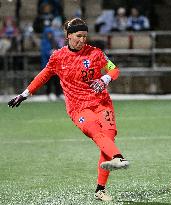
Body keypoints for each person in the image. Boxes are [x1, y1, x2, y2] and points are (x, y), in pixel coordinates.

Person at [8, 18, 129, 201]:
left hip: (102, 103)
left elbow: (114, 70)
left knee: (109, 136)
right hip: (78, 108)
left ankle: (100, 190)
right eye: (79, 36)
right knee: (97, 132)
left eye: (85, 36)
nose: (82, 40)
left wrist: (105, 79)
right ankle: (118, 158)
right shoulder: (58, 57)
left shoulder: (96, 53)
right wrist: (25, 94)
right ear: (68, 35)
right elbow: (43, 76)